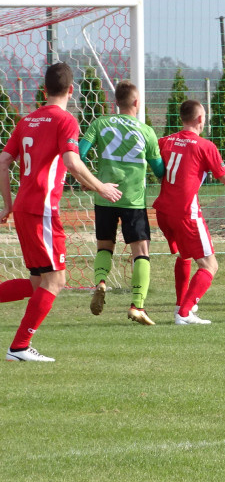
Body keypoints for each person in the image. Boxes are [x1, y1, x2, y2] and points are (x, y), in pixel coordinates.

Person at [0, 62, 123, 361]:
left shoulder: (27, 120)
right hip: (42, 209)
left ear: (43, 89)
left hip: (24, 207)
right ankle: (18, 347)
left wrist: (7, 204)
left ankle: (19, 347)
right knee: (56, 281)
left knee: (36, 282)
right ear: (71, 90)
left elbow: (3, 161)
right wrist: (100, 187)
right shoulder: (65, 120)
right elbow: (71, 161)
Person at [153, 99, 225, 325]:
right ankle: (185, 313)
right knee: (210, 265)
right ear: (200, 119)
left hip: (163, 210)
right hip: (185, 212)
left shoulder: (164, 141)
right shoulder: (204, 146)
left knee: (185, 255)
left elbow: (155, 165)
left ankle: (181, 306)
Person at [79, 80, 165, 325]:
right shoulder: (146, 131)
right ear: (136, 102)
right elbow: (159, 170)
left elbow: (79, 153)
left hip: (104, 195)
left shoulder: (100, 123)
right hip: (132, 201)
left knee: (104, 246)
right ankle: (137, 305)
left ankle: (101, 282)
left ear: (115, 102)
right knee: (142, 252)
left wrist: (89, 180)